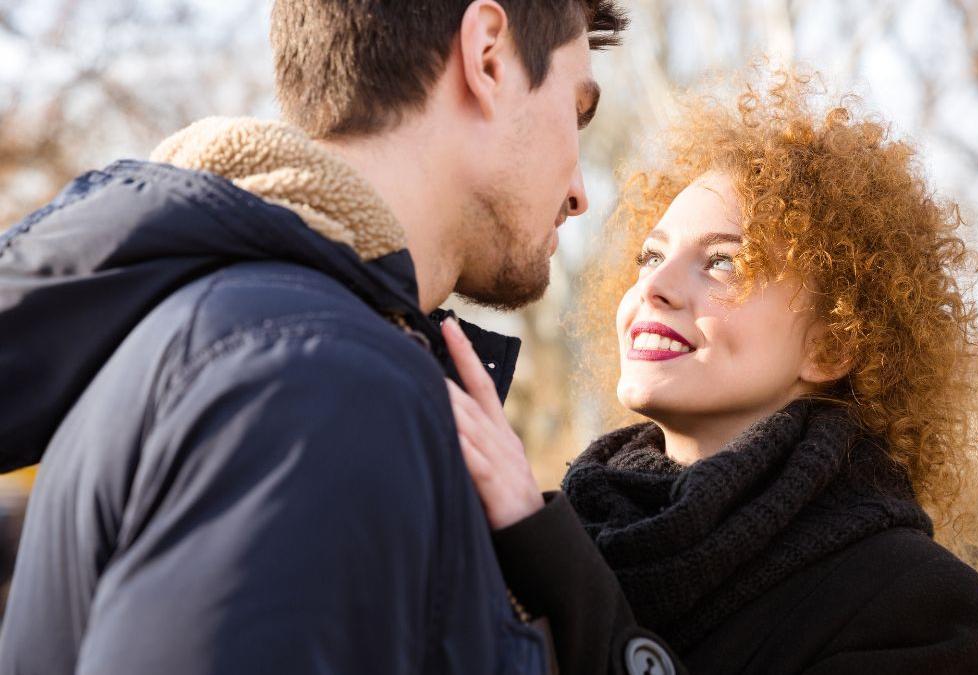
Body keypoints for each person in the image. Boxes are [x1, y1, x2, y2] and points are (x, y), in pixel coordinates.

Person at [0, 1, 629, 672]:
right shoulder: (316, 384)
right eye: (577, 110)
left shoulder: (249, 335)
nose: (579, 192)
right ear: (488, 58)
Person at [444, 68, 978, 674]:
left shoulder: (916, 602)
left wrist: (547, 560)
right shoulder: (565, 527)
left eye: (723, 263)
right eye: (651, 255)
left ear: (833, 343)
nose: (652, 286)